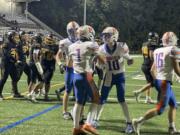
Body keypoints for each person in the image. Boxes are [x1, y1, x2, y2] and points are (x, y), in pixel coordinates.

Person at [132, 31, 180, 135]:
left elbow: (152, 69)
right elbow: (176, 69)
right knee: (160, 109)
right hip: (164, 83)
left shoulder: (158, 50)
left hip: (160, 81)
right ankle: (138, 121)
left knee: (173, 105)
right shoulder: (173, 49)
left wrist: (157, 80)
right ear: (172, 40)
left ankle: (171, 128)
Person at [96, 27, 134, 134]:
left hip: (119, 75)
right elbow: (99, 64)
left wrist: (130, 59)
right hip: (108, 75)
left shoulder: (122, 46)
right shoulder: (101, 48)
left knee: (121, 99)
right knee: (102, 98)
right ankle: (95, 119)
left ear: (114, 36)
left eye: (108, 35)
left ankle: (129, 123)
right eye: (104, 35)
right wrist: (99, 64)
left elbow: (127, 56)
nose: (105, 37)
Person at [68, 25, 100, 135]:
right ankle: (88, 123)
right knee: (96, 98)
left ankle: (76, 128)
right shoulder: (91, 44)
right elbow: (101, 58)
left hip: (75, 76)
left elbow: (70, 62)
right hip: (87, 76)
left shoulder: (71, 46)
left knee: (79, 102)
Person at [56, 21, 79, 119]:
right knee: (68, 90)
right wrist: (60, 64)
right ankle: (64, 111)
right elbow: (58, 55)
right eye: (71, 31)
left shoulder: (82, 41)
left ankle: (77, 112)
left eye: (75, 30)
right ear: (68, 31)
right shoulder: (64, 42)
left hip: (80, 69)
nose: (73, 32)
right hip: (70, 68)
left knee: (80, 92)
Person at [133, 32, 159, 103]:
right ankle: (138, 92)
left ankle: (147, 98)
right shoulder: (152, 44)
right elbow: (151, 55)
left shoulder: (144, 44)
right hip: (150, 65)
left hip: (144, 64)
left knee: (149, 82)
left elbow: (144, 54)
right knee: (155, 82)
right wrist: (156, 63)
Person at [0, 31, 24, 101]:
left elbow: (14, 54)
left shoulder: (14, 43)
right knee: (4, 78)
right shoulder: (6, 43)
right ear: (10, 37)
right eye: (14, 36)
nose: (16, 38)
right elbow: (7, 54)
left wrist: (16, 60)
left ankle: (15, 92)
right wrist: (16, 61)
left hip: (12, 63)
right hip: (6, 63)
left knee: (15, 78)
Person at [41, 34, 58, 101]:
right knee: (41, 80)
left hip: (50, 66)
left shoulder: (55, 47)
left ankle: (46, 94)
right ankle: (36, 92)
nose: (49, 41)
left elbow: (57, 56)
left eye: (50, 39)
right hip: (43, 64)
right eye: (48, 39)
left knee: (47, 81)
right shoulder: (42, 45)